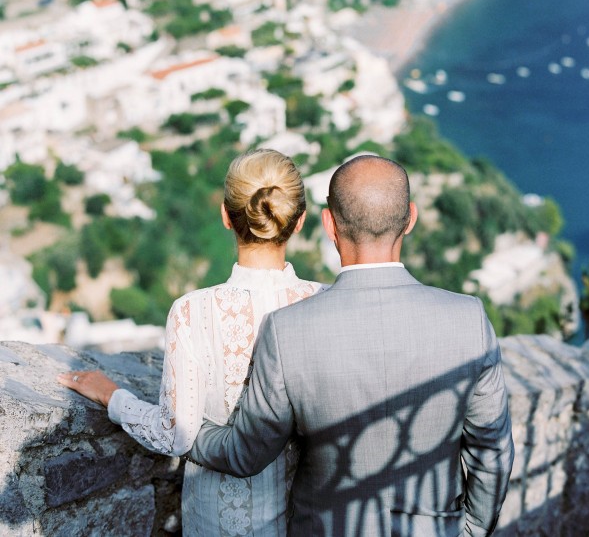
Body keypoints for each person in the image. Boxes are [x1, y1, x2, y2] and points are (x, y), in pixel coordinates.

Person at [190, 154, 514, 537]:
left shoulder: (287, 330)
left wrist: (178, 431)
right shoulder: (469, 319)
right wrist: (472, 531)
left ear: (329, 224)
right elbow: (492, 452)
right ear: (409, 218)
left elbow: (246, 453)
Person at [58, 148, 324, 536]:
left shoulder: (193, 311)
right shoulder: (324, 301)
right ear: (299, 221)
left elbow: (174, 433)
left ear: (225, 216)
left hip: (219, 517)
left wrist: (112, 397)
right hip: (308, 518)